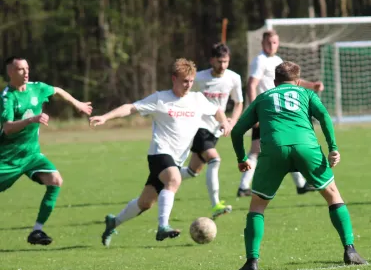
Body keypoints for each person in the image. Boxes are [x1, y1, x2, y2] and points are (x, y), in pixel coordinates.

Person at [231, 61, 366, 270]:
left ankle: (251, 261)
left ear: (274, 82)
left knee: (257, 206)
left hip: (274, 149)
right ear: (298, 81)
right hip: (307, 147)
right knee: (333, 195)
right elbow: (324, 116)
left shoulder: (263, 98)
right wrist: (333, 148)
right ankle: (350, 250)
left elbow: (237, 131)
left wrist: (241, 158)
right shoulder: (307, 94)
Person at [89, 58, 231, 246]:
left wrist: (224, 122)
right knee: (174, 179)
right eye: (184, 81)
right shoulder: (160, 99)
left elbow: (217, 110)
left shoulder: (197, 99)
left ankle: (113, 222)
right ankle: (162, 227)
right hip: (159, 153)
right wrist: (105, 117)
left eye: (190, 81)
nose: (188, 85)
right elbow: (131, 107)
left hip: (177, 159)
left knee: (145, 203)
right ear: (174, 79)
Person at [0, 56, 93, 245]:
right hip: (7, 158)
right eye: (20, 69)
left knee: (55, 181)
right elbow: (8, 128)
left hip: (32, 155)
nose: (26, 73)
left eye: (27, 68)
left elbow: (57, 90)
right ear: (10, 72)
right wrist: (31, 120)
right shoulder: (7, 97)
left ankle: (37, 231)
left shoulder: (37, 88)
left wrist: (78, 104)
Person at [237, 30, 325, 197]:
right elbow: (251, 84)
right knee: (261, 149)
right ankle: (243, 187)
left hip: (275, 113)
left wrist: (312, 85)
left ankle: (300, 185)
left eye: (275, 42)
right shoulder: (260, 61)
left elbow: (291, 82)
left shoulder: (277, 61)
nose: (272, 46)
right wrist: (255, 111)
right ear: (263, 44)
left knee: (270, 146)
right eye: (269, 43)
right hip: (267, 112)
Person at [180, 43, 243, 219]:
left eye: (226, 62)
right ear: (211, 61)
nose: (223, 66)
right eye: (220, 61)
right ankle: (216, 204)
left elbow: (238, 103)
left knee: (193, 171)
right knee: (214, 160)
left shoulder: (233, 78)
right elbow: (183, 96)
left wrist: (231, 121)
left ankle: (163, 178)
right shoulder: (199, 78)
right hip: (198, 127)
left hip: (216, 130)